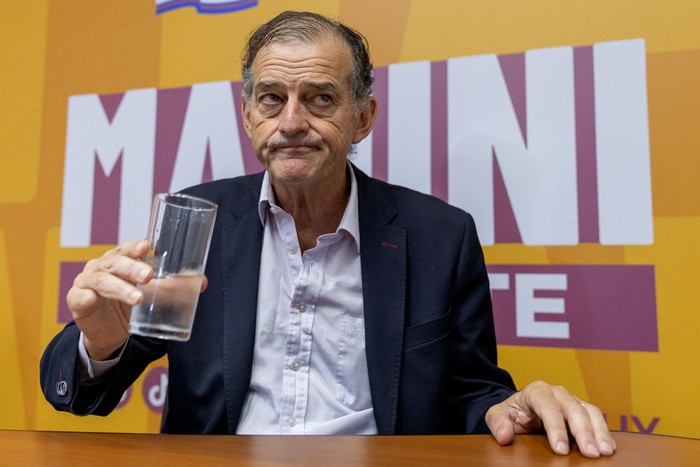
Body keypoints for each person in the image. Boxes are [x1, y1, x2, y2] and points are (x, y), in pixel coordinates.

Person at [40, 10, 615, 458]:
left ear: (363, 116)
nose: (291, 122)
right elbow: (81, 396)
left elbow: (470, 394)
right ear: (247, 115)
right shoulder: (201, 220)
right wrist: (100, 346)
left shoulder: (441, 235)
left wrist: (514, 408)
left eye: (320, 98)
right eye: (272, 99)